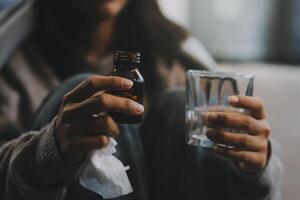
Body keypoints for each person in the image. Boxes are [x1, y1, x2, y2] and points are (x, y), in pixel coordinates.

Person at [0, 0, 282, 199]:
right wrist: (50, 149)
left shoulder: (174, 54)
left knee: (178, 107)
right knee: (80, 92)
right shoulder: (12, 61)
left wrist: (254, 165)